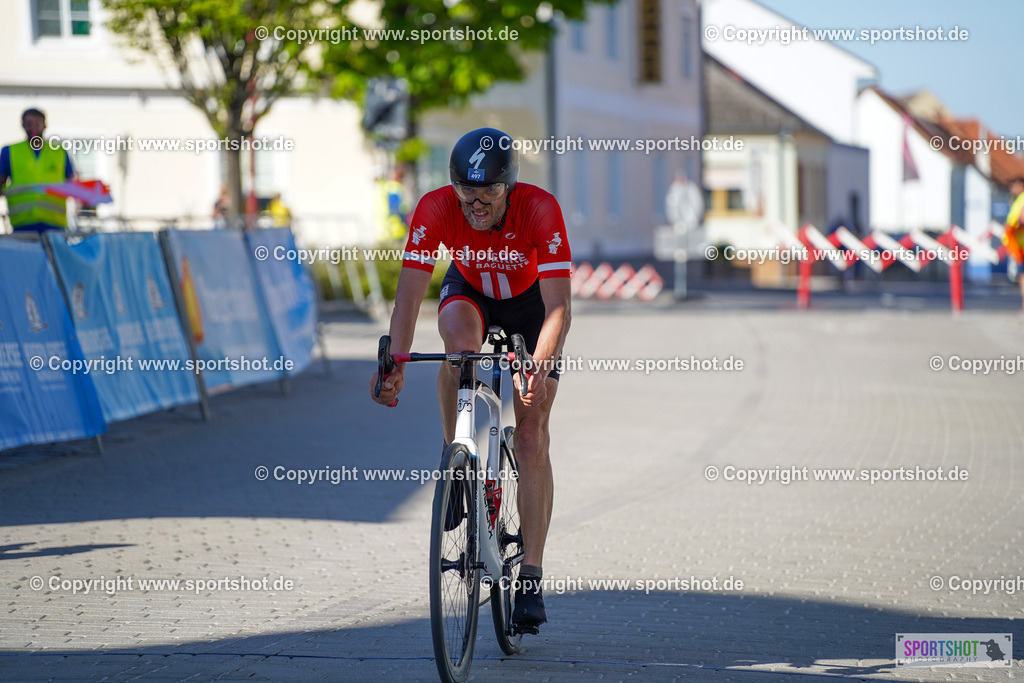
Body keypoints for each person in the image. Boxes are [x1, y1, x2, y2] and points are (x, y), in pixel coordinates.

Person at [369, 127, 572, 634]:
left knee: (529, 437)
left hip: (531, 311)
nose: (476, 203)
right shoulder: (436, 207)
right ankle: (455, 457)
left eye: (489, 193)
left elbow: (559, 309)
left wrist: (537, 366)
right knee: (460, 352)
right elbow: (411, 294)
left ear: (511, 186)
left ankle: (531, 574)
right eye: (467, 191)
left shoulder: (540, 209)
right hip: (471, 293)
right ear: (453, 184)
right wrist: (393, 362)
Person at [0, 108, 75, 233]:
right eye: (29, 124)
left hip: (55, 222)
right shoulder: (10, 151)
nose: (33, 128)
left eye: (37, 124)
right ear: (23, 126)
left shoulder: (59, 152)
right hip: (22, 222)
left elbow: (72, 185)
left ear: (44, 125)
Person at [1003, 177, 1024, 309]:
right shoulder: (1018, 200)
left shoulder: (1022, 199)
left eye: (1014, 186)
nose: (1011, 189)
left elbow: (1021, 219)